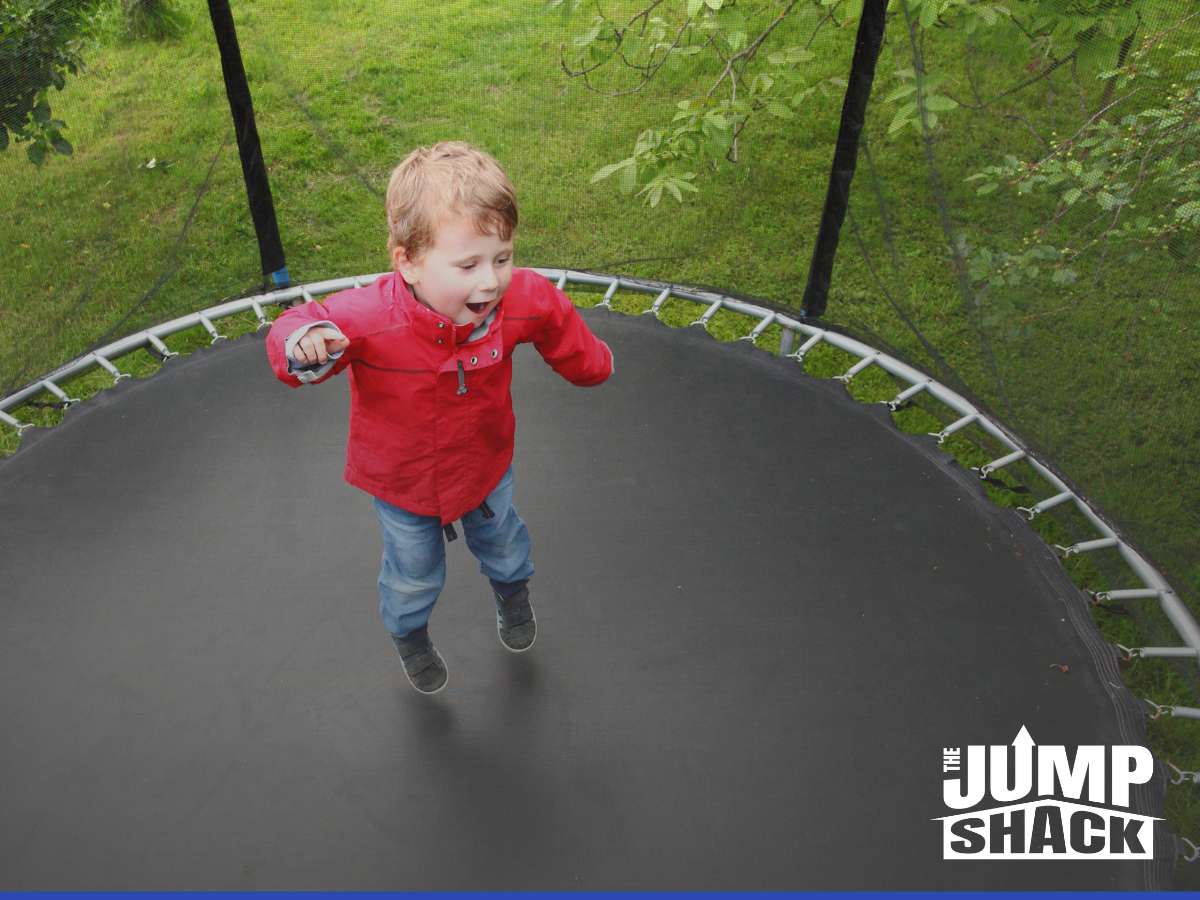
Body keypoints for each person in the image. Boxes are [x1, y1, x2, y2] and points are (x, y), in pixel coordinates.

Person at [264, 141, 614, 694]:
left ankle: (513, 597)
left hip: (484, 465)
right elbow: (299, 326)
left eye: (502, 258)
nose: (490, 281)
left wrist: (594, 365)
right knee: (412, 575)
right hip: (402, 484)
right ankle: (410, 636)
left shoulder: (517, 297)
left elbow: (554, 318)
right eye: (469, 264)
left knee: (506, 546)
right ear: (408, 261)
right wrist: (305, 343)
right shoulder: (369, 315)